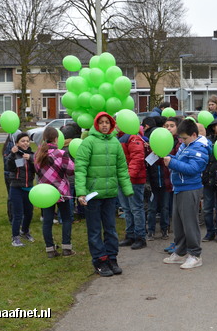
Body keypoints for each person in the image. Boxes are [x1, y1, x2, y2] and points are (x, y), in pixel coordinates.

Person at [76, 112, 134, 277]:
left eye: (107, 122)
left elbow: (122, 168)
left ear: (111, 125)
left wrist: (127, 188)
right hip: (92, 196)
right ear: (96, 124)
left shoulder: (115, 142)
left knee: (111, 229)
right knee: (94, 230)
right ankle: (100, 260)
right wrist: (81, 193)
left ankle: (112, 258)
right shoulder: (88, 142)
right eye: (101, 122)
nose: (104, 125)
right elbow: (80, 168)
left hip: (110, 194)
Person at [162, 119, 209, 269]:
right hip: (179, 187)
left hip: (190, 188)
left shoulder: (200, 148)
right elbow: (182, 161)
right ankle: (180, 251)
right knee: (178, 222)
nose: (181, 140)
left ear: (194, 134)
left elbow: (193, 169)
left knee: (189, 223)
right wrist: (172, 158)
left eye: (184, 137)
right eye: (180, 138)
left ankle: (195, 254)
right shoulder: (185, 145)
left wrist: (172, 163)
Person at [34, 127, 75, 258]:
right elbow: (71, 170)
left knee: (47, 221)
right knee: (66, 219)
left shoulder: (38, 154)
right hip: (61, 191)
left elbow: (36, 170)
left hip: (45, 193)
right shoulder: (61, 153)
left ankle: (50, 249)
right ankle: (66, 248)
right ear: (56, 138)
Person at [117, 123, 148, 250]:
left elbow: (137, 159)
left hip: (133, 180)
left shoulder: (133, 138)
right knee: (127, 209)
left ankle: (140, 237)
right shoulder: (120, 138)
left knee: (136, 208)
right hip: (123, 179)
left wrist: (128, 178)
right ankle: (130, 235)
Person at [5, 132, 36, 247]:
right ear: (17, 143)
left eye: (27, 141)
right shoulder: (14, 154)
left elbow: (37, 168)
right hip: (16, 188)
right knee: (18, 214)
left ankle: (25, 231)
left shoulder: (32, 154)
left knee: (29, 213)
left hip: (29, 188)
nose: (25, 143)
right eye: (23, 141)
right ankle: (15, 237)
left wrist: (31, 159)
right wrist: (12, 155)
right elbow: (10, 167)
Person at [2, 130, 22, 223]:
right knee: (12, 196)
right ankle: (13, 217)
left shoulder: (10, 145)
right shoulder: (11, 147)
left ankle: (16, 215)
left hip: (10, 174)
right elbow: (9, 162)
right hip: (11, 175)